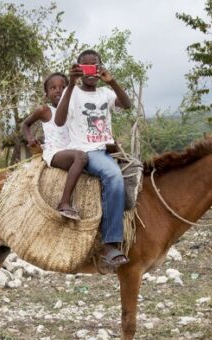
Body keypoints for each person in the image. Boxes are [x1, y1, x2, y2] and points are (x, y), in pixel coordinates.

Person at [54, 49, 133, 269]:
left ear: (100, 69)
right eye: (86, 67)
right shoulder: (73, 93)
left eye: (95, 67)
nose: (91, 72)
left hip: (108, 149)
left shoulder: (106, 94)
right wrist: (70, 84)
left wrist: (113, 81)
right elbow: (59, 121)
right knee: (113, 175)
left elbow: (127, 105)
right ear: (79, 70)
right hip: (87, 151)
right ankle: (110, 245)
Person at [21, 72, 88, 221]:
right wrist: (30, 138)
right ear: (47, 94)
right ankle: (64, 203)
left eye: (63, 87)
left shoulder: (75, 110)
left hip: (72, 148)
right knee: (81, 157)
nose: (58, 90)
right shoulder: (45, 110)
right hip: (55, 152)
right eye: (53, 88)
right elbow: (25, 124)